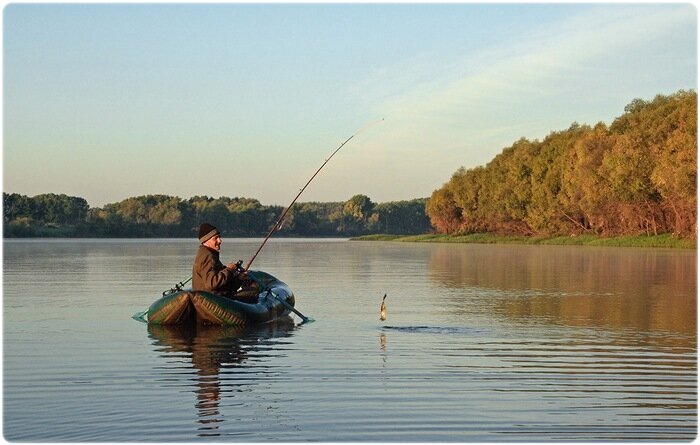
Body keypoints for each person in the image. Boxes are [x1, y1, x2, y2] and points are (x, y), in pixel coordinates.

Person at [192, 223, 247, 296]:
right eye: (215, 238)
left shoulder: (208, 253)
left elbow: (220, 283)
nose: (220, 241)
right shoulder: (207, 256)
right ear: (206, 241)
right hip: (211, 299)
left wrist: (239, 279)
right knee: (253, 293)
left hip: (213, 296)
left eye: (219, 237)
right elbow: (212, 283)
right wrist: (229, 269)